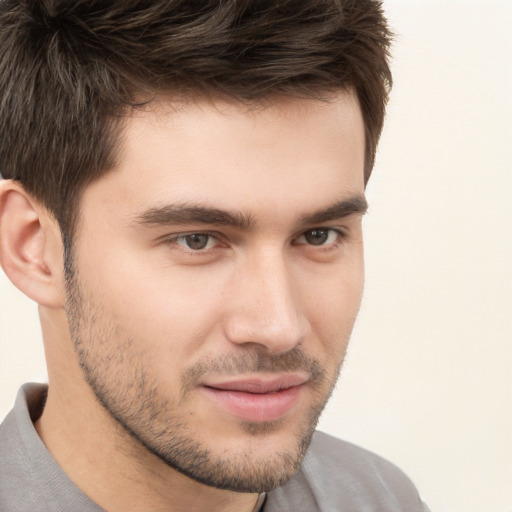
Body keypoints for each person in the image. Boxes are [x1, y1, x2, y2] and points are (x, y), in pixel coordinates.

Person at [0, 1, 428, 511]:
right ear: (33, 248)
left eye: (318, 235)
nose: (278, 326)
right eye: (197, 240)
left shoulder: (379, 498)